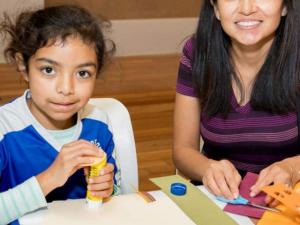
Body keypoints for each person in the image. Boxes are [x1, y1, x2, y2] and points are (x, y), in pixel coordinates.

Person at [0, 5, 121, 225]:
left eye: (83, 73)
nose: (66, 88)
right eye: (48, 70)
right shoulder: (5, 129)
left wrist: (107, 187)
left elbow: (116, 194)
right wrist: (49, 179)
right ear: (23, 66)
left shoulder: (98, 124)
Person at [173, 0, 300, 206]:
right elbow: (182, 150)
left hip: (288, 205)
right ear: (215, 8)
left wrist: (293, 168)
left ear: (285, 6)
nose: (247, 8)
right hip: (221, 201)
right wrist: (207, 167)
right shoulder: (197, 52)